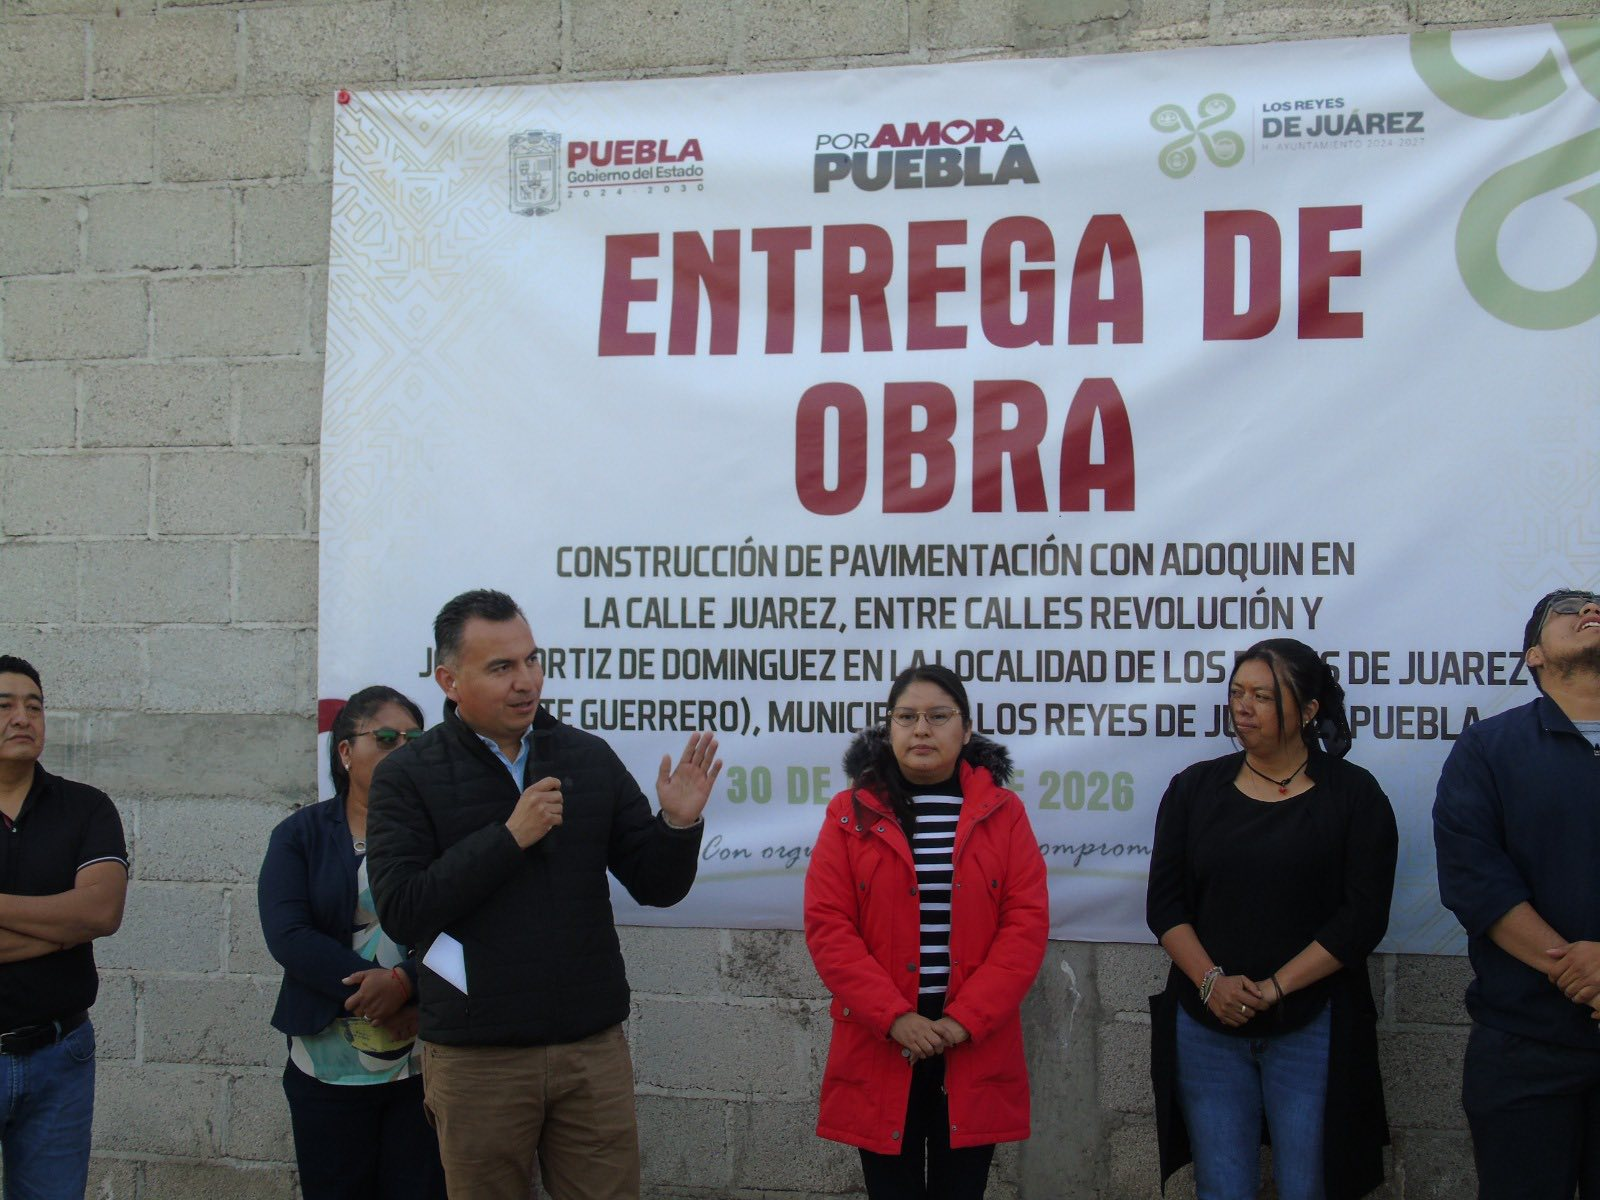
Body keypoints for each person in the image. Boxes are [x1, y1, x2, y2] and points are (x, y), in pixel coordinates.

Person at [366, 588, 721, 1200]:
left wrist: (677, 825)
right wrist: (508, 838)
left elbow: (656, 885)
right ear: (449, 680)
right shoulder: (407, 776)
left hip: (590, 1049)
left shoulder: (586, 757)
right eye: (501, 667)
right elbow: (402, 910)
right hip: (478, 1059)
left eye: (532, 660)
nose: (526, 681)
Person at [1146, 638, 1397, 1200]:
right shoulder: (1194, 789)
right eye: (1237, 692)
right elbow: (1165, 905)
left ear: (1308, 710)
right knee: (1222, 1186)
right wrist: (1211, 983)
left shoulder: (1354, 795)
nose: (1243, 706)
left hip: (1314, 1021)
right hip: (1208, 1021)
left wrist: (1276, 988)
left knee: (1310, 1185)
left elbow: (1362, 916)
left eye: (1263, 696)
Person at [804, 664, 1048, 1200]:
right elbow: (829, 927)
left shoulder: (1004, 814)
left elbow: (1025, 927)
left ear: (966, 728)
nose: (921, 730)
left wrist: (964, 1020)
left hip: (972, 1039)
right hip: (882, 1037)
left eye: (938, 716)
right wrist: (895, 1017)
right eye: (906, 717)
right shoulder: (849, 814)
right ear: (888, 728)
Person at [1433, 588, 1600, 1200]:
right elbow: (1474, 879)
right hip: (1525, 1045)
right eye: (1570, 608)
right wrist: (1583, 974)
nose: (1592, 611)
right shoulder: (1488, 748)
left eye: (1598, 605)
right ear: (1534, 654)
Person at [257, 684, 445, 1200]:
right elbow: (288, 935)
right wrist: (371, 990)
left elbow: (470, 929)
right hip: (325, 1068)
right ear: (345, 752)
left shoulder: (443, 835)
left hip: (424, 1066)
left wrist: (405, 984)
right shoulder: (300, 835)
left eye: (414, 740)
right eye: (386, 738)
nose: (402, 750)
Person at [0, 654, 128, 1199]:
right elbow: (79, 920)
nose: (22, 717)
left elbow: (100, 913)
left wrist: (80, 921)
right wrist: (61, 928)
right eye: (5, 705)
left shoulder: (86, 808)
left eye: (34, 706)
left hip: (59, 1056)